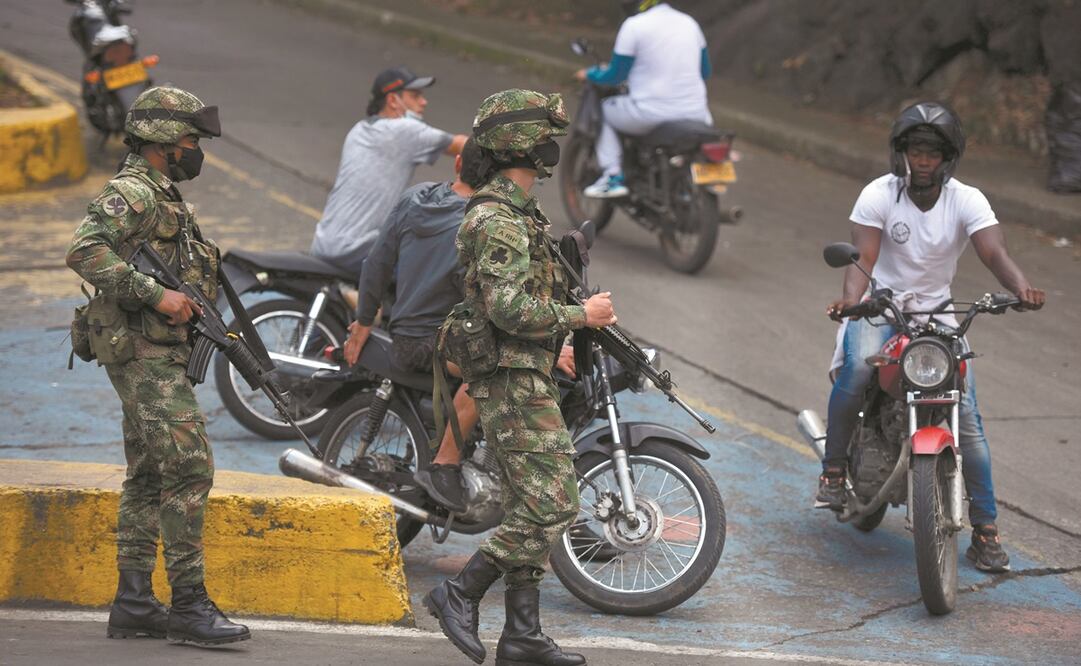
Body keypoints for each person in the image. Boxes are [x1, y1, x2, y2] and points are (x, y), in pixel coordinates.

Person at [422, 89, 616, 666]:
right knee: (554, 502)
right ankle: (461, 590)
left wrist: (557, 339)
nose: (551, 146)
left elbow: (516, 301)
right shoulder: (498, 219)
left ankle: (523, 634)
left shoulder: (519, 213)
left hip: (526, 368)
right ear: (521, 146)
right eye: (542, 136)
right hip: (508, 378)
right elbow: (507, 308)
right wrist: (580, 317)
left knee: (531, 501)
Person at [816, 101, 1046, 574]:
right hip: (881, 306)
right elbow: (864, 256)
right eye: (915, 150)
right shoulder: (878, 194)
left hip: (938, 312)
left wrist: (1019, 288)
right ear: (900, 153)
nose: (923, 160)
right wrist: (851, 300)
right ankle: (834, 471)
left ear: (948, 157)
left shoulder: (967, 199)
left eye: (932, 152)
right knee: (858, 371)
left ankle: (986, 531)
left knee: (970, 421)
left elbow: (993, 250)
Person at [66, 86, 250, 645]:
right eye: (191, 140)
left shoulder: (162, 195)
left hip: (156, 351)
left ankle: (134, 604)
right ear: (164, 142)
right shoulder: (133, 192)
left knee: (148, 474)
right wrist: (154, 293)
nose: (197, 150)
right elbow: (85, 249)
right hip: (142, 353)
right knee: (191, 469)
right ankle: (190, 607)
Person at [342, 138, 578, 513]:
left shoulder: (416, 197)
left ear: (456, 166)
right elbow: (500, 302)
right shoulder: (484, 223)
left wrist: (364, 320)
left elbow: (376, 263)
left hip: (421, 332)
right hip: (433, 340)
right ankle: (445, 464)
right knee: (488, 369)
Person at [310, 66, 469, 275]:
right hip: (356, 248)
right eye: (415, 95)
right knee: (431, 271)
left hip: (324, 242)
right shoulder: (403, 131)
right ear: (393, 100)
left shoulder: (359, 130)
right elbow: (465, 147)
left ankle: (354, 298)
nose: (424, 102)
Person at [575, 0, 712, 198]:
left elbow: (616, 75)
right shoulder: (690, 23)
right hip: (698, 115)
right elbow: (704, 72)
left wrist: (590, 74)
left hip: (651, 114)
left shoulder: (634, 26)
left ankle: (612, 175)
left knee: (604, 109)